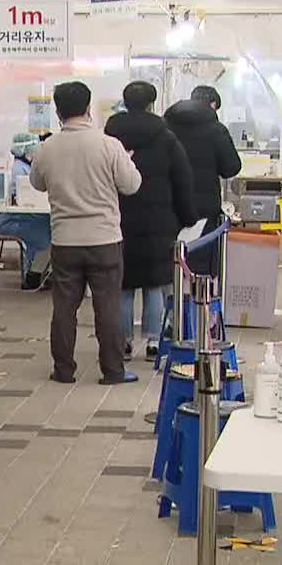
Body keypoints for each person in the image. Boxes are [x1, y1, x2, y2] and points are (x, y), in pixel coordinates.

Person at [31, 81, 143, 385]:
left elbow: (37, 183)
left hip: (65, 239)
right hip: (104, 238)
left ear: (57, 111)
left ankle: (64, 370)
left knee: (64, 307)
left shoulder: (47, 147)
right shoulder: (108, 145)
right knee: (108, 306)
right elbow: (132, 185)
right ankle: (113, 370)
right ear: (88, 107)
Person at [105, 80, 197, 361]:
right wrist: (187, 217)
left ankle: (123, 342)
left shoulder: (110, 137)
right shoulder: (166, 137)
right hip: (159, 221)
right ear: (151, 104)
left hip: (118, 217)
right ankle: (155, 341)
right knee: (155, 283)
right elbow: (182, 179)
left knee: (123, 284)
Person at [165, 84, 242, 275]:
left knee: (171, 266)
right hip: (204, 209)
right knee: (201, 266)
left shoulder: (165, 126)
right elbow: (231, 167)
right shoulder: (217, 130)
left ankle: (172, 303)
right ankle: (198, 301)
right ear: (213, 104)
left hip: (169, 204)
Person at [0, 131, 54, 290]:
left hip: (21, 217)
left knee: (48, 226)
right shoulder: (18, 170)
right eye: (34, 150)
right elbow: (20, 199)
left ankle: (39, 272)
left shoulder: (25, 167)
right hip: (8, 221)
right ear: (25, 151)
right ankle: (33, 275)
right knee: (43, 231)